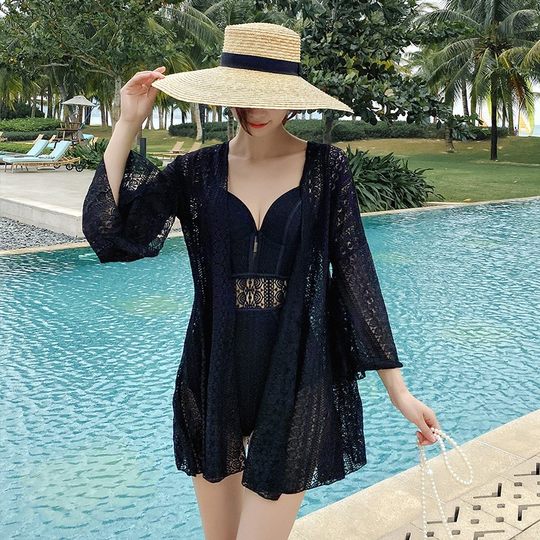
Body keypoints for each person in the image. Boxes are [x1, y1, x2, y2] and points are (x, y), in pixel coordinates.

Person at [82, 22, 441, 540]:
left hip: (296, 374)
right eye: (244, 93)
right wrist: (127, 123)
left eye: (269, 94)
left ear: (292, 95)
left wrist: (399, 392)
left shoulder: (326, 170)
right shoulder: (195, 172)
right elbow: (110, 237)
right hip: (213, 374)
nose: (255, 108)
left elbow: (355, 275)